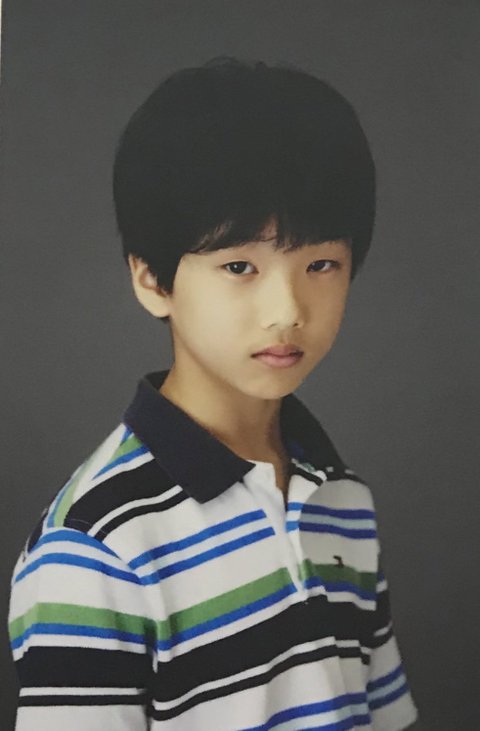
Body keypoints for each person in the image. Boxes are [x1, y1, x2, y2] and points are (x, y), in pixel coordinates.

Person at [8, 56, 420, 730]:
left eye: (320, 263)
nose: (287, 310)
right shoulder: (97, 547)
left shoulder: (343, 499)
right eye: (239, 266)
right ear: (152, 280)